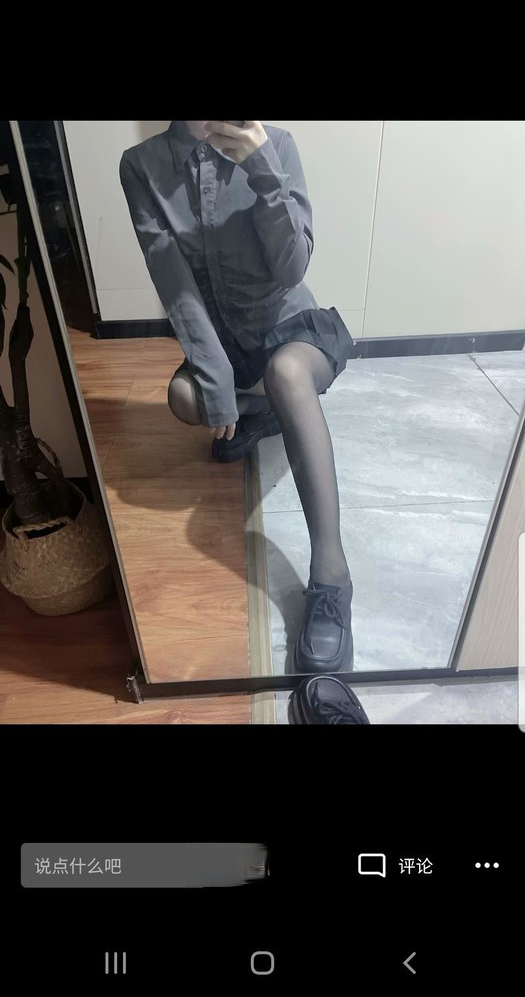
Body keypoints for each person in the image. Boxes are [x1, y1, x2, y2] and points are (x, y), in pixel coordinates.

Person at [120, 120, 356, 673]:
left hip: (293, 334)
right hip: (228, 342)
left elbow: (293, 267)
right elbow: (174, 283)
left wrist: (262, 167)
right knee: (185, 396)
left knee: (286, 374)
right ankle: (269, 414)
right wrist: (215, 377)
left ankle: (332, 574)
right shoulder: (142, 166)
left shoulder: (277, 144)